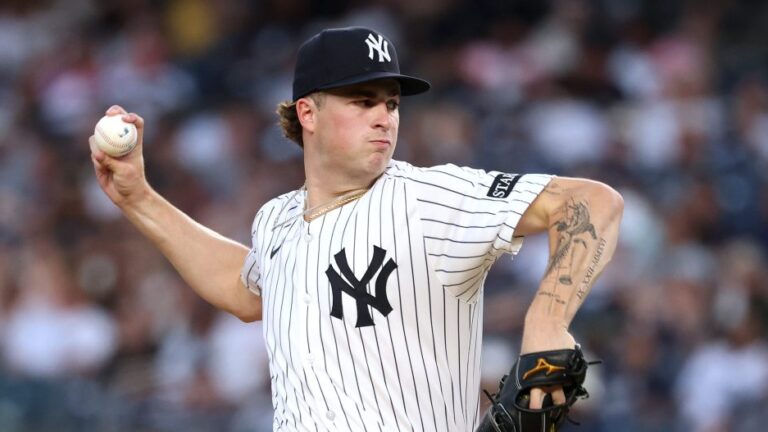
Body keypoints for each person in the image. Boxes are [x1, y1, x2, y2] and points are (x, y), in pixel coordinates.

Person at [89, 26, 623, 432]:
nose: (385, 117)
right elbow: (246, 290)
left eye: (391, 103)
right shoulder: (276, 219)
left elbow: (591, 201)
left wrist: (547, 321)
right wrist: (139, 199)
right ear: (309, 112)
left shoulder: (427, 197)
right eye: (362, 101)